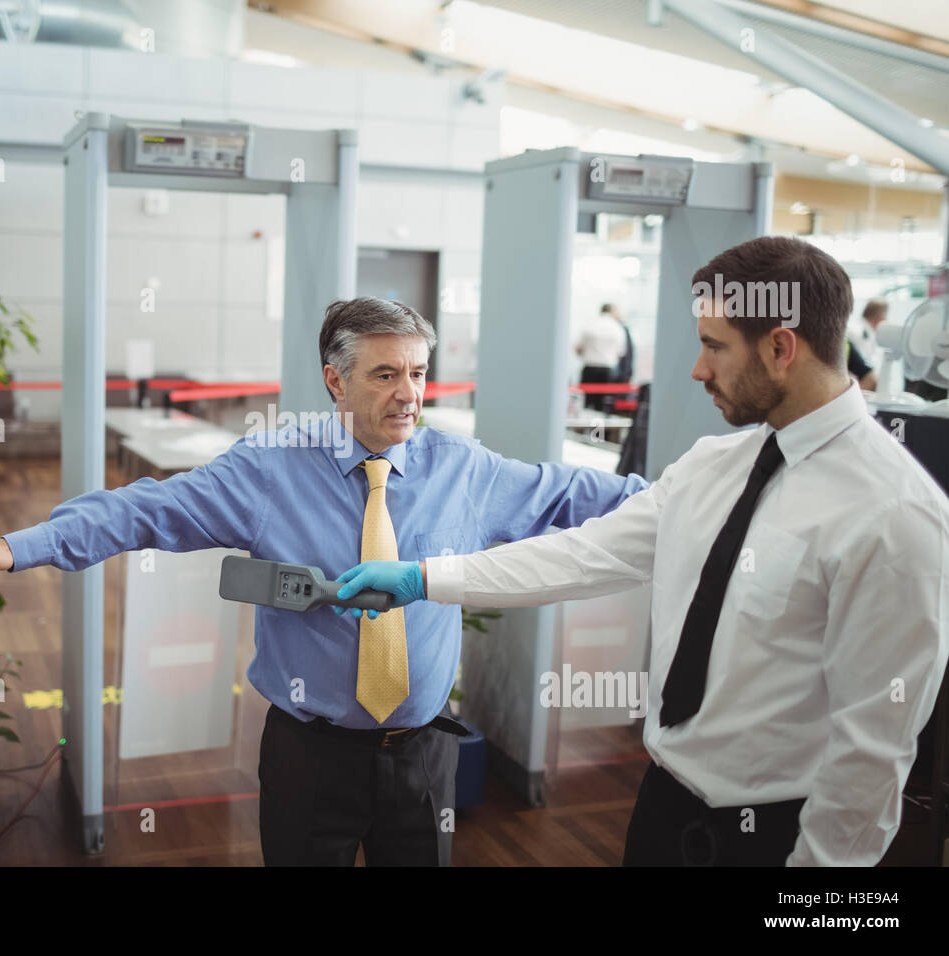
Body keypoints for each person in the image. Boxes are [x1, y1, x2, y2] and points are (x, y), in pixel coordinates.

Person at [0, 296, 647, 866]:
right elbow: (148, 509)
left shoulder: (463, 468)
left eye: (417, 373)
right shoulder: (269, 469)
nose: (409, 395)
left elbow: (566, 493)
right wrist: (22, 545)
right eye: (385, 374)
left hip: (422, 755)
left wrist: (681, 501)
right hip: (309, 756)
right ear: (336, 380)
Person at [335, 237, 949, 866]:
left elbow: (872, 752)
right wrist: (423, 577)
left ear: (780, 347)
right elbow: (582, 555)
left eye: (714, 346)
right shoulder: (715, 467)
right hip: (662, 812)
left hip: (777, 840)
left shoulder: (893, 513)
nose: (697, 370)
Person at [575, 303, 627, 411]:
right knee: (603, 406)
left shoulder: (590, 324)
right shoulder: (617, 327)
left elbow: (578, 348)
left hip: (589, 369)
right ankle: (599, 428)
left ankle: (588, 427)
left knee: (587, 404)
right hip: (607, 370)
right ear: (612, 311)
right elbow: (621, 352)